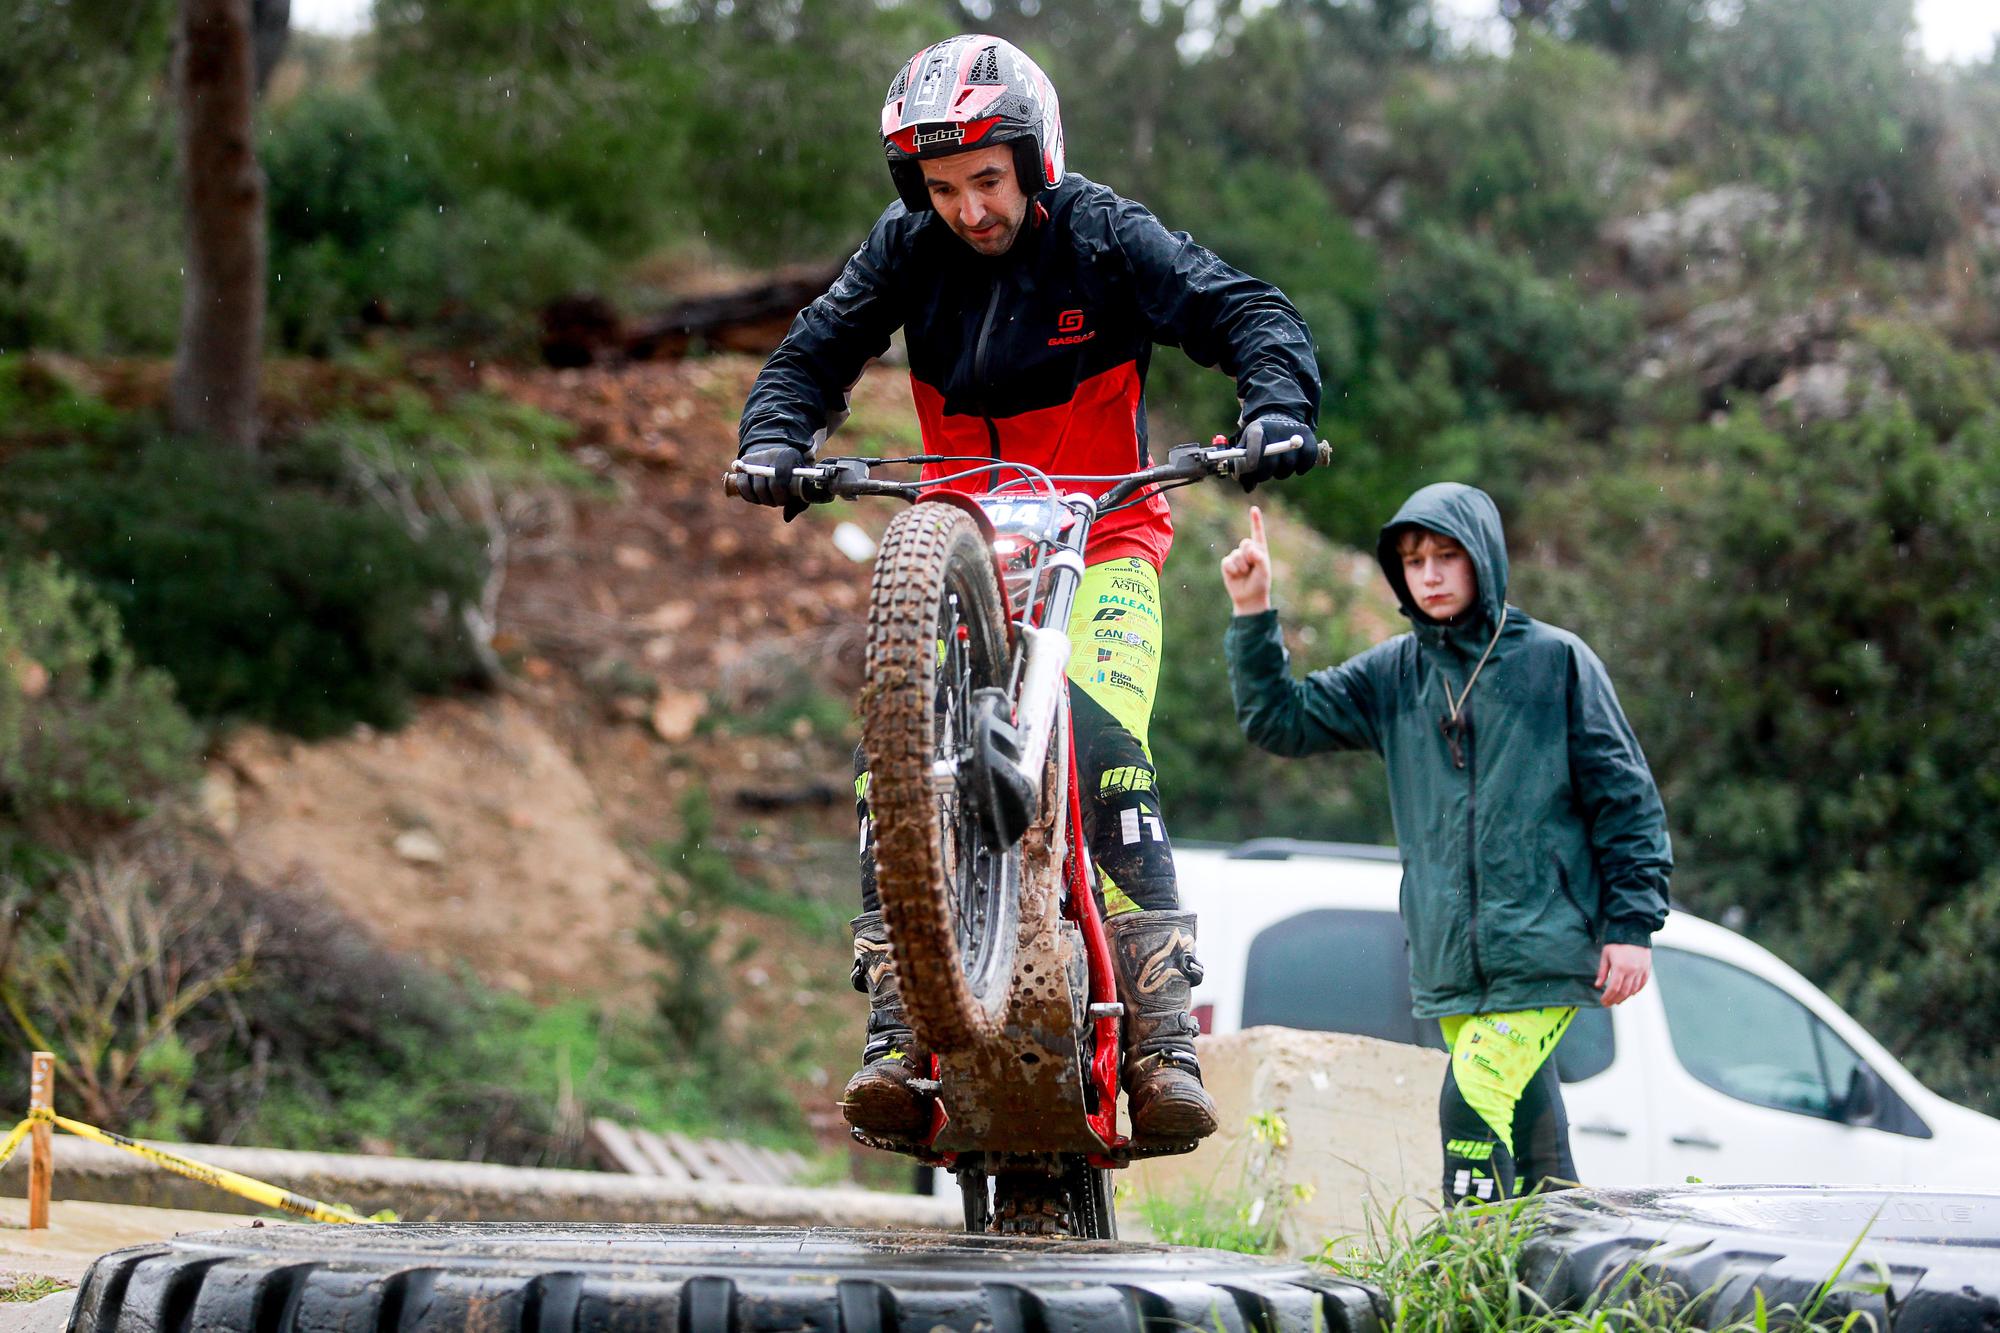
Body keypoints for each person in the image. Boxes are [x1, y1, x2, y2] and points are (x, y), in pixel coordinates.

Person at [734, 34, 1323, 1146]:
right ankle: (900, 1029)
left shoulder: (1102, 234)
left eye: (986, 182)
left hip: (1102, 539)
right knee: (893, 759)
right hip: (960, 550)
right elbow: (813, 352)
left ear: (1035, 158)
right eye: (944, 188)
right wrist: (774, 439)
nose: (968, 209)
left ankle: (1159, 1034)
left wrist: (1275, 411)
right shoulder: (907, 249)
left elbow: (1245, 311)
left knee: (1102, 743)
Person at [1220, 484, 1671, 1204]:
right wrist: (1253, 611)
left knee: (1469, 1104)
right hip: (1449, 961)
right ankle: (1559, 1290)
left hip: (1547, 945)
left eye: (1445, 555)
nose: (1427, 574)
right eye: (1413, 560)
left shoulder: (1557, 663)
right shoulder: (1395, 672)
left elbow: (1627, 801)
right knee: (1535, 1141)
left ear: (1482, 559)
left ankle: (1460, 1270)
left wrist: (1631, 925)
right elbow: (1282, 720)